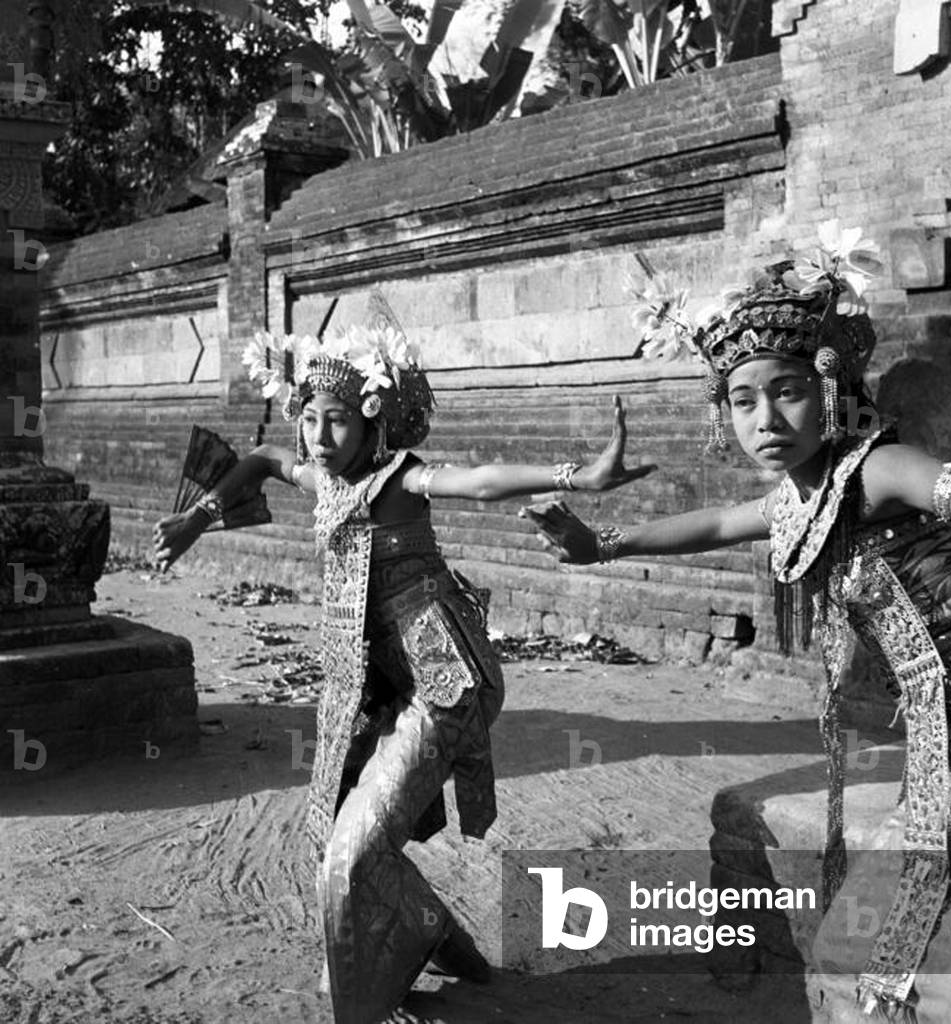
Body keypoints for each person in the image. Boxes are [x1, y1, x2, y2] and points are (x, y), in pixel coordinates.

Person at [524, 223, 951, 1022]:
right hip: (946, 756)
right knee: (850, 959)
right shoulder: (792, 500)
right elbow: (716, 523)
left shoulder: (882, 471)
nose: (766, 419)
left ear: (827, 387)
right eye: (743, 399)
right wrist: (599, 544)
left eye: (786, 391)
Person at [152, 317, 654, 1024]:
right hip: (373, 688)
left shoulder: (400, 478)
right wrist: (200, 517)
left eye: (335, 423)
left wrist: (580, 476)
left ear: (371, 421)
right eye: (310, 420)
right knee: (336, 837)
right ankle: (440, 938)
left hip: (445, 682)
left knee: (350, 861)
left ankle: (368, 1003)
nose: (318, 438)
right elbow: (264, 459)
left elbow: (478, 482)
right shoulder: (320, 477)